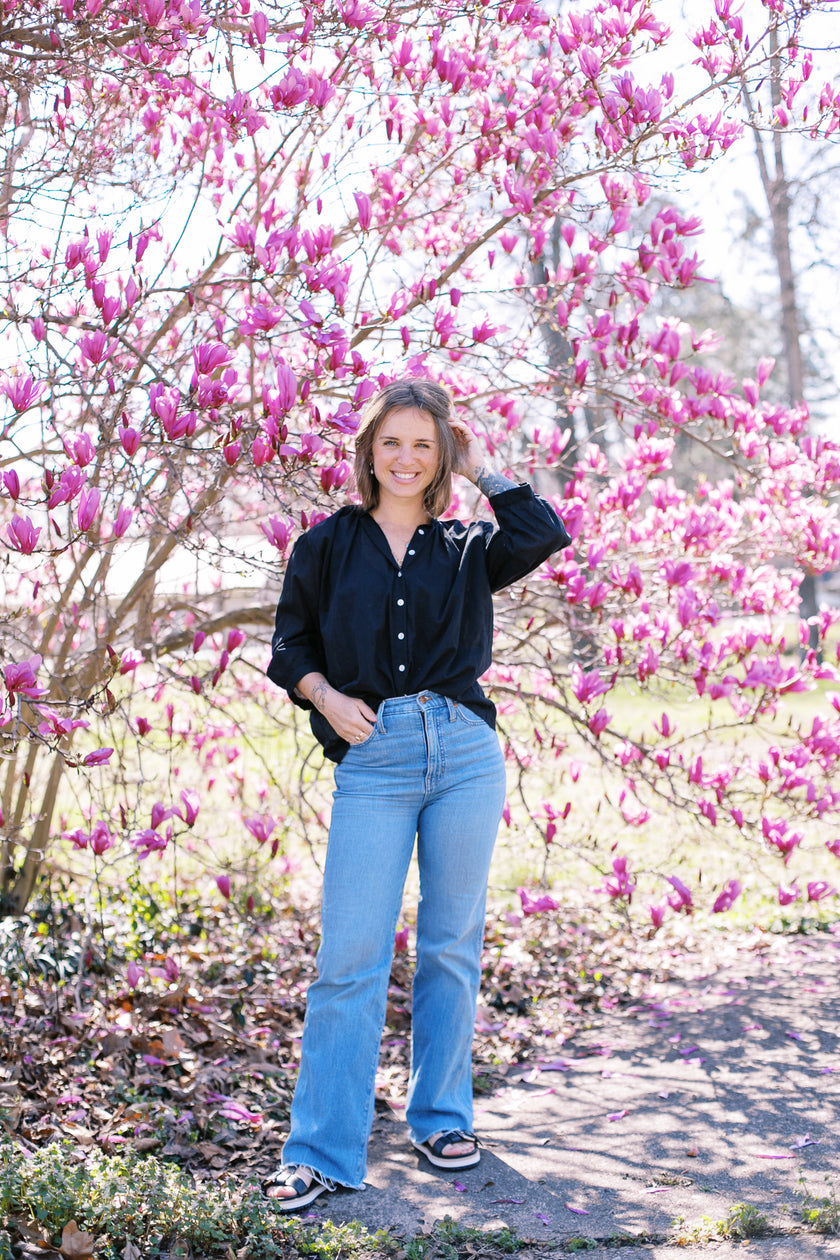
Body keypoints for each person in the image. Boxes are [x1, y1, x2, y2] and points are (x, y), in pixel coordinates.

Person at [264, 377, 571, 1210]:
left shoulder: (469, 545)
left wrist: (477, 462)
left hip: (465, 754)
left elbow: (544, 531)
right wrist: (327, 698)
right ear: (368, 451)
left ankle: (440, 1116)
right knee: (350, 959)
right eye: (391, 442)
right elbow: (289, 646)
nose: (406, 458)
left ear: (442, 459)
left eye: (424, 445)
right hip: (376, 760)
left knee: (449, 946)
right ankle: (321, 1152)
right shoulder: (324, 545)